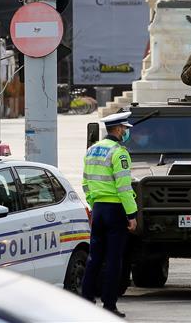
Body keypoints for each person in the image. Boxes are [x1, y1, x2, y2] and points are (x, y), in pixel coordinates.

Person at [80, 112, 137, 318]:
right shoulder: (119, 153)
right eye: (126, 129)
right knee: (114, 260)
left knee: (94, 258)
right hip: (115, 211)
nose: (126, 132)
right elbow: (124, 187)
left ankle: (86, 301)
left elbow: (85, 183)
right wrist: (132, 214)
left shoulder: (92, 150)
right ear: (119, 129)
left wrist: (94, 205)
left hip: (99, 210)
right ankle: (109, 306)